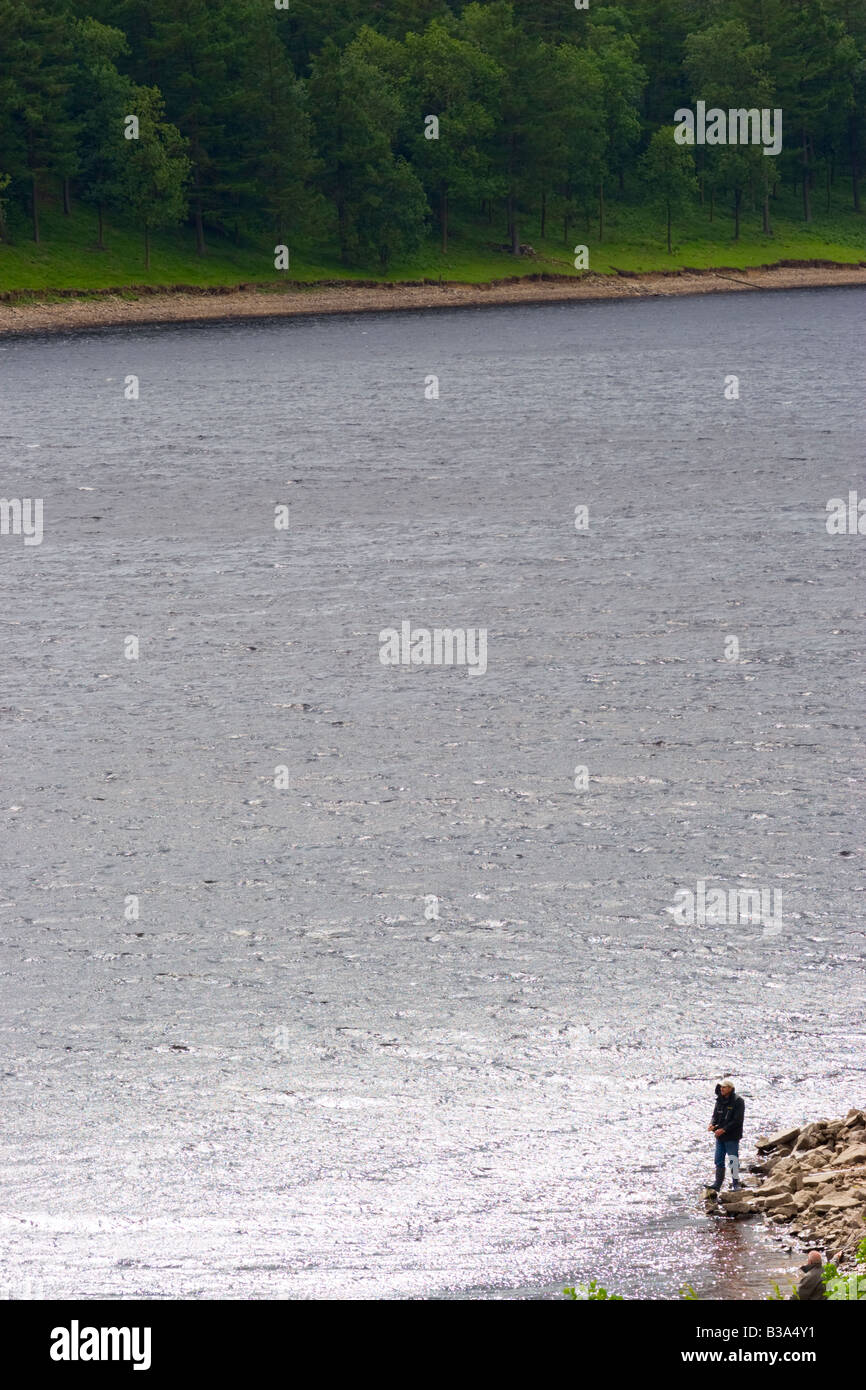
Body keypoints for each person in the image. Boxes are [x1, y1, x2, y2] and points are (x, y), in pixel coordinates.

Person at [707, 1078, 745, 1192]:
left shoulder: (738, 1101)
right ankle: (717, 1184)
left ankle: (736, 1184)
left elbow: (737, 1120)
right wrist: (712, 1124)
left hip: (732, 1136)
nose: (721, 1089)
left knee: (733, 1159)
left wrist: (724, 1129)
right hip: (720, 1136)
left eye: (724, 1087)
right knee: (718, 1159)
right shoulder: (719, 1100)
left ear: (730, 1089)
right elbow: (715, 1115)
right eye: (721, 1087)